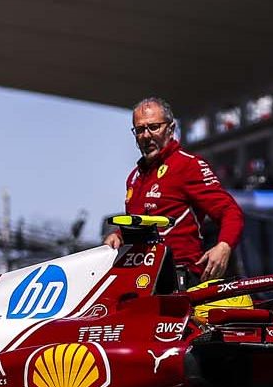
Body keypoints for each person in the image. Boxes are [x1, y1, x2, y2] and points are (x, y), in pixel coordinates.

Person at [105, 97, 244, 287]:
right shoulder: (134, 177)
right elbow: (144, 223)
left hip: (180, 279)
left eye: (153, 127)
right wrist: (118, 236)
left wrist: (224, 246)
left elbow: (230, 212)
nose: (146, 135)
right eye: (140, 130)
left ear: (171, 129)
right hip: (141, 278)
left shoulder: (188, 165)